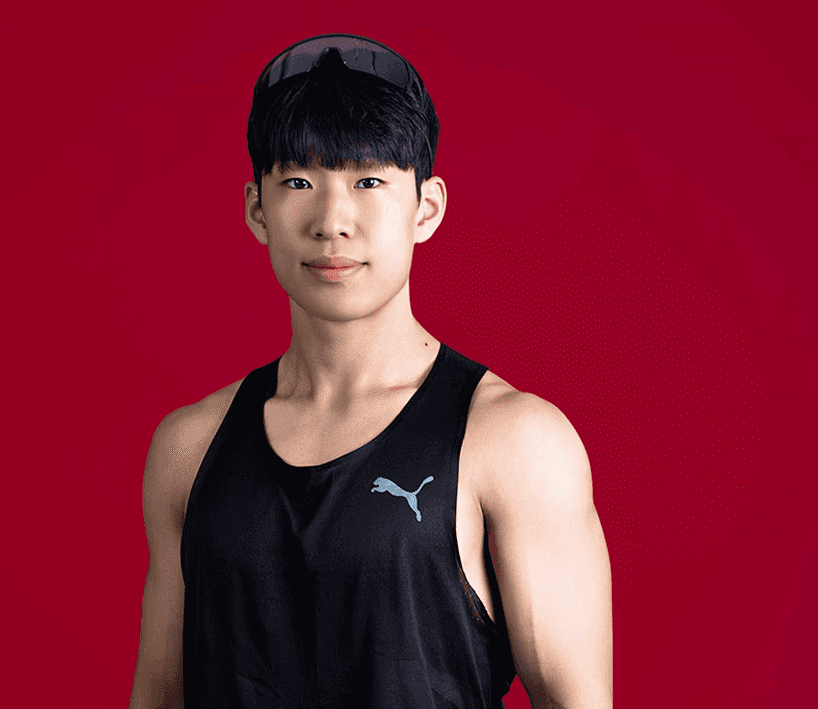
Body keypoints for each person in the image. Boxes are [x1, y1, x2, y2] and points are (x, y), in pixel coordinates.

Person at [129, 34, 612, 708]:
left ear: (427, 208)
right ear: (257, 210)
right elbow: (158, 695)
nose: (333, 221)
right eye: (299, 181)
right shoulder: (189, 447)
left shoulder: (515, 441)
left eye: (368, 181)